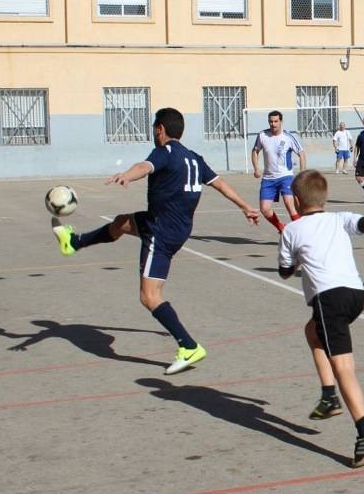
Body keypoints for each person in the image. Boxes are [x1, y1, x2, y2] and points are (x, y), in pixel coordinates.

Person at [52, 108, 260, 374]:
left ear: (160, 129)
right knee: (121, 223)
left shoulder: (164, 153)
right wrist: (245, 206)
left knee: (149, 296)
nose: (154, 132)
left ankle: (188, 345)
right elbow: (219, 184)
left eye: (154, 128)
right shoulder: (194, 158)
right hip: (171, 224)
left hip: (161, 232)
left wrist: (127, 174)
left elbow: (144, 167)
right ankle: (74, 241)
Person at [279, 170, 364, 467]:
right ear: (324, 197)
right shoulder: (339, 218)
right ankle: (329, 396)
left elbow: (285, 270)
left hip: (329, 299)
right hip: (355, 295)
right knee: (312, 331)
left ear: (296, 200)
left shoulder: (292, 230)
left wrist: (295, 261)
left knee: (343, 366)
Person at [251, 110, 306, 233]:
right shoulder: (262, 135)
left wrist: (302, 174)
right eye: (271, 121)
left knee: (289, 204)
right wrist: (256, 168)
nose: (273, 124)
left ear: (281, 122)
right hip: (268, 178)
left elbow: (301, 153)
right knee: (265, 209)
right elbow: (255, 151)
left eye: (276, 121)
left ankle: (301, 233)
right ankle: (282, 227)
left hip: (285, 176)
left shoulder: (288, 137)